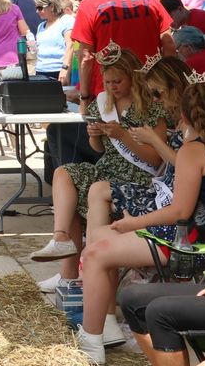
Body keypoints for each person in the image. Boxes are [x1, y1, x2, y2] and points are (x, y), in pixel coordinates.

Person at [77, 83, 205, 366]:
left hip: (188, 244)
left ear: (185, 117)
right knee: (99, 238)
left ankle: (91, 342)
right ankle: (104, 325)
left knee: (94, 252)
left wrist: (133, 223)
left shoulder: (193, 151)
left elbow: (178, 211)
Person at [30, 45, 166, 277]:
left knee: (77, 196)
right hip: (108, 169)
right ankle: (61, 239)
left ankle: (71, 275)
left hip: (139, 178)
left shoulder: (151, 109)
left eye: (118, 81)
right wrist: (95, 136)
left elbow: (156, 160)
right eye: (108, 82)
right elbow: (99, 150)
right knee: (64, 173)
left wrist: (123, 135)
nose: (113, 87)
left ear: (133, 77)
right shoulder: (104, 103)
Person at [72, 0, 173, 118]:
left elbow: (86, 58)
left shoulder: (89, 4)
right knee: (152, 142)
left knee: (109, 144)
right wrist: (167, 87)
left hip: (110, 95)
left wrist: (85, 97)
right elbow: (169, 44)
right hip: (150, 89)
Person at [33, 0, 74, 82]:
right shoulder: (41, 26)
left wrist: (65, 68)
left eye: (40, 8)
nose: (37, 11)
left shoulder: (66, 20)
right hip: (40, 71)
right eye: (36, 8)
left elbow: (71, 45)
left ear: (51, 6)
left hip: (59, 71)